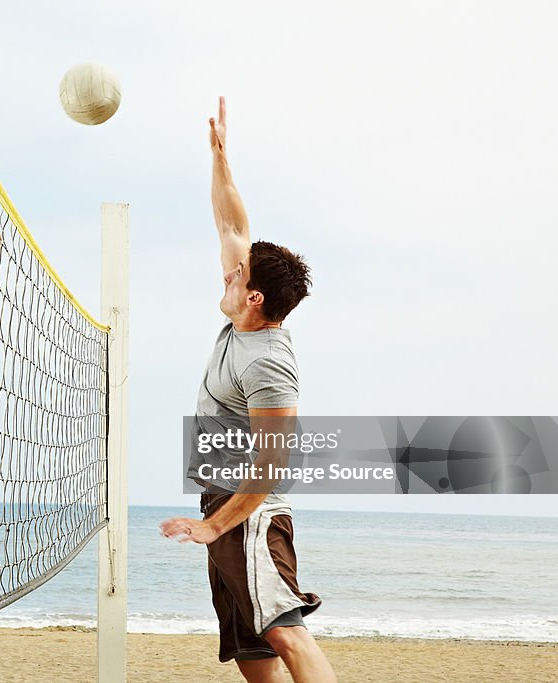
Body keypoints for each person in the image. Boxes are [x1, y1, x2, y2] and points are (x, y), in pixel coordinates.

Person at [160, 98, 337, 683]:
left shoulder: (267, 362)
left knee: (285, 631)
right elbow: (233, 224)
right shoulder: (246, 314)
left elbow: (273, 462)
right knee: (250, 647)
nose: (228, 272)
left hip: (251, 512)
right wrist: (219, 155)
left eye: (237, 275)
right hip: (223, 503)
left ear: (254, 296)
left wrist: (216, 525)